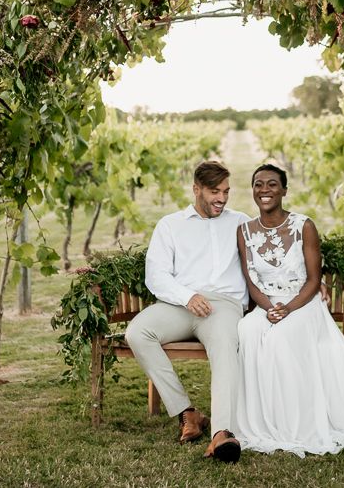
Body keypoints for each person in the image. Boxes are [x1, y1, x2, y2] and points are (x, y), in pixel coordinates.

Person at [233, 163, 344, 457]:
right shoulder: (244, 231)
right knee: (248, 330)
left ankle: (293, 425)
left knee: (281, 338)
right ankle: (261, 424)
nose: (264, 190)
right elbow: (250, 279)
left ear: (284, 190)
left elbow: (314, 279)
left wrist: (288, 309)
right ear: (252, 190)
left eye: (271, 184)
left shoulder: (303, 225)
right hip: (268, 304)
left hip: (304, 303)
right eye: (258, 184)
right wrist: (269, 309)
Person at [125, 160, 248, 463]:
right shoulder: (171, 225)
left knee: (223, 345)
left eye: (226, 191)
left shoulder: (241, 222)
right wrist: (186, 296)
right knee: (138, 333)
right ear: (196, 189)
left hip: (223, 306)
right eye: (214, 191)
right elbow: (156, 275)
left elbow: (267, 262)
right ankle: (187, 412)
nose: (222, 198)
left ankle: (222, 433)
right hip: (180, 304)